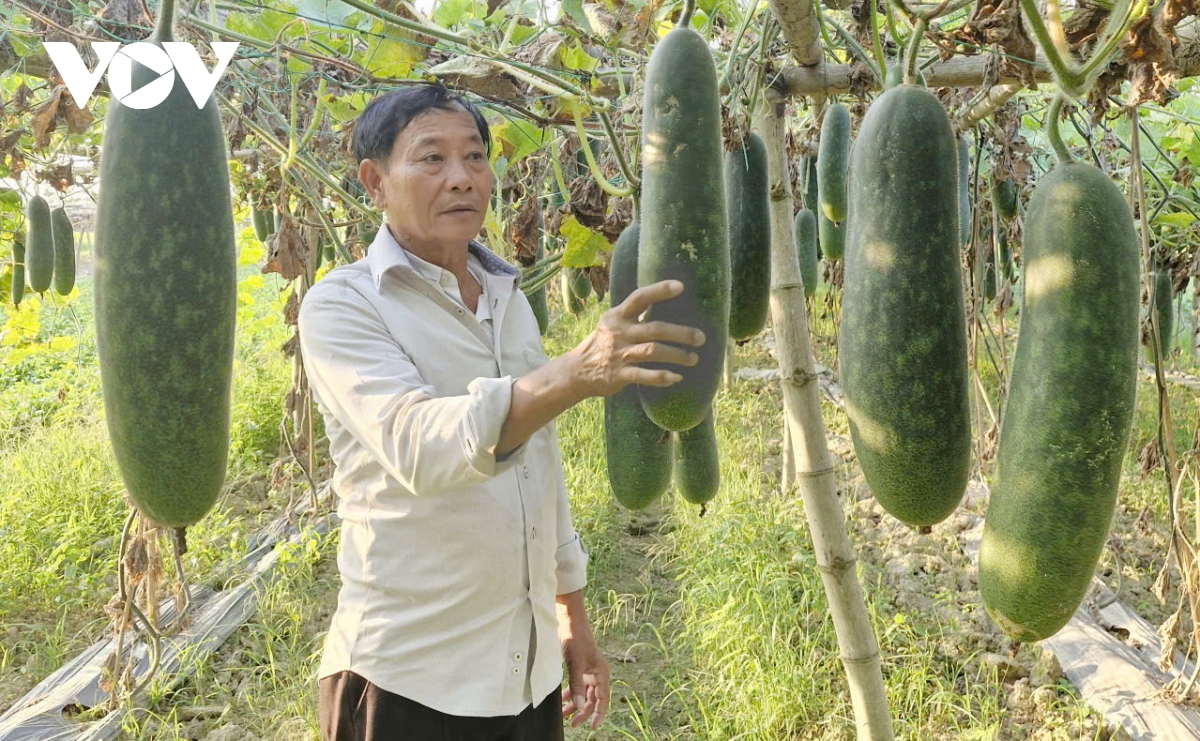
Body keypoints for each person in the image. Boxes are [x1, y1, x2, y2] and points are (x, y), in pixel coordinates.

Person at [297, 84, 706, 741]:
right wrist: (572, 374)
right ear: (374, 181)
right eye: (431, 159)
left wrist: (571, 617)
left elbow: (537, 468)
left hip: (527, 672)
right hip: (408, 677)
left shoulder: (506, 297)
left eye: (476, 157)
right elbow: (418, 445)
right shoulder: (343, 306)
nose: (461, 178)